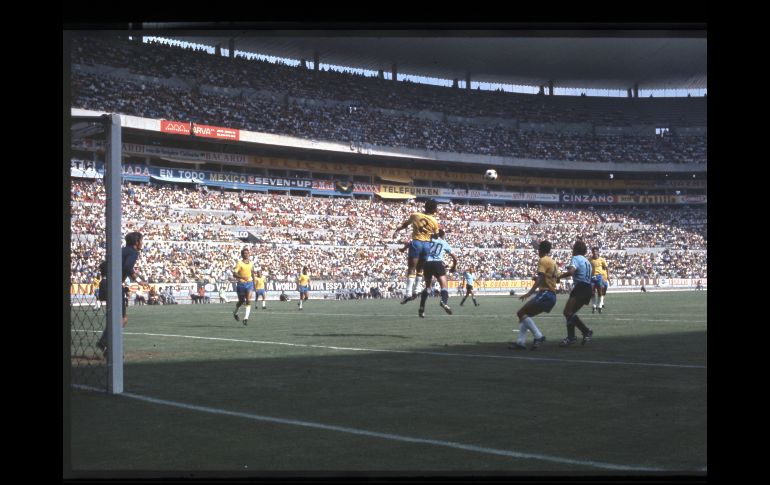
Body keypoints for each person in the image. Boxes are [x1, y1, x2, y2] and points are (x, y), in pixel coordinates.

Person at [96, 231, 144, 357]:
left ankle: (106, 344)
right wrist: (138, 280)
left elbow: (102, 266)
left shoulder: (121, 251)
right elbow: (128, 267)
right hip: (114, 285)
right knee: (122, 319)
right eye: (141, 240)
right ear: (136, 242)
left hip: (104, 283)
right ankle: (106, 343)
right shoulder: (133, 252)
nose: (142, 243)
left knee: (115, 317)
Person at [510, 240, 557, 350]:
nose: (537, 250)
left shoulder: (543, 260)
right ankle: (520, 342)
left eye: (538, 248)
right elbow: (555, 278)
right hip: (551, 295)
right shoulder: (552, 261)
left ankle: (538, 336)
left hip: (546, 293)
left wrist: (529, 293)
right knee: (525, 315)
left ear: (541, 250)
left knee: (520, 313)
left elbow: (540, 277)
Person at [393, 199, 439, 304]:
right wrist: (430, 234)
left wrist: (397, 230)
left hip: (416, 243)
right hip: (427, 245)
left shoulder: (415, 215)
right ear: (433, 209)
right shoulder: (434, 221)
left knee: (411, 268)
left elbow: (405, 224)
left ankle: (408, 293)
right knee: (420, 269)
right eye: (436, 207)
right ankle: (417, 290)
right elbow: (436, 236)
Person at [557, 240, 595, 347]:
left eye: (573, 248)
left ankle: (586, 331)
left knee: (567, 312)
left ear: (576, 249)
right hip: (587, 288)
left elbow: (571, 272)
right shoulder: (587, 261)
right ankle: (571, 337)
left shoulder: (576, 258)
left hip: (581, 287)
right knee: (571, 313)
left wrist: (558, 277)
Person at [418, 229, 458, 318]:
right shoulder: (443, 242)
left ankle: (422, 307)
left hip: (427, 264)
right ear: (442, 235)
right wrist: (453, 267)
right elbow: (455, 258)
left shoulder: (428, 241)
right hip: (437, 263)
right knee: (444, 286)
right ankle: (443, 301)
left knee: (428, 287)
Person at [232, 247, 256, 326]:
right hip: (241, 284)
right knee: (241, 301)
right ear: (242, 255)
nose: (246, 255)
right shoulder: (239, 263)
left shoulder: (251, 263)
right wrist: (242, 277)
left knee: (248, 300)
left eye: (247, 253)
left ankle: (246, 318)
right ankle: (235, 312)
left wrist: (254, 280)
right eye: (244, 253)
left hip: (249, 283)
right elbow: (234, 274)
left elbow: (252, 272)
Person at [589, 247, 609, 314]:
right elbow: (587, 267)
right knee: (592, 292)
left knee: (600, 291)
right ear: (592, 252)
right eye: (593, 251)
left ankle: (600, 306)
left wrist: (607, 276)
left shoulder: (602, 259)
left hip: (599, 277)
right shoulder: (590, 260)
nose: (594, 252)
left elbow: (606, 268)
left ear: (598, 252)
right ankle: (594, 306)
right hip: (592, 277)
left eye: (595, 251)